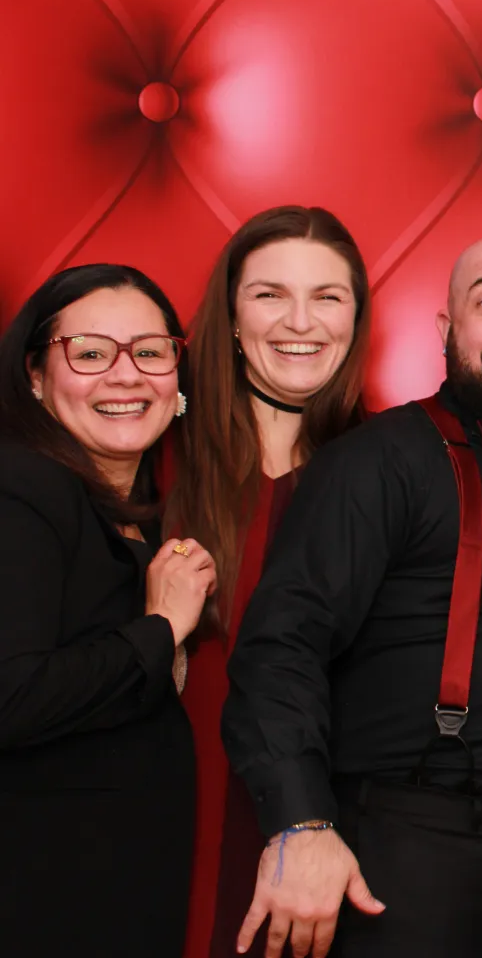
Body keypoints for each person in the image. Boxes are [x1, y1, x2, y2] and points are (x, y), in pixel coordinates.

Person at [222, 231, 482, 958]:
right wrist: (300, 823)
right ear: (447, 328)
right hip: (412, 854)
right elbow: (282, 646)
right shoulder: (377, 461)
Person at [167, 205, 370, 958]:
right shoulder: (157, 451)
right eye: (270, 294)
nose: (300, 322)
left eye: (327, 296)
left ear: (356, 319)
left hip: (323, 823)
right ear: (230, 316)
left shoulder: (389, 467)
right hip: (163, 806)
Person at [0, 264, 217, 956]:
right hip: (41, 902)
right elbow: (11, 697)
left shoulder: (135, 513)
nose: (126, 376)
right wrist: (162, 627)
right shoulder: (21, 488)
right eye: (91, 353)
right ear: (36, 377)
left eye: (150, 352)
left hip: (113, 895)